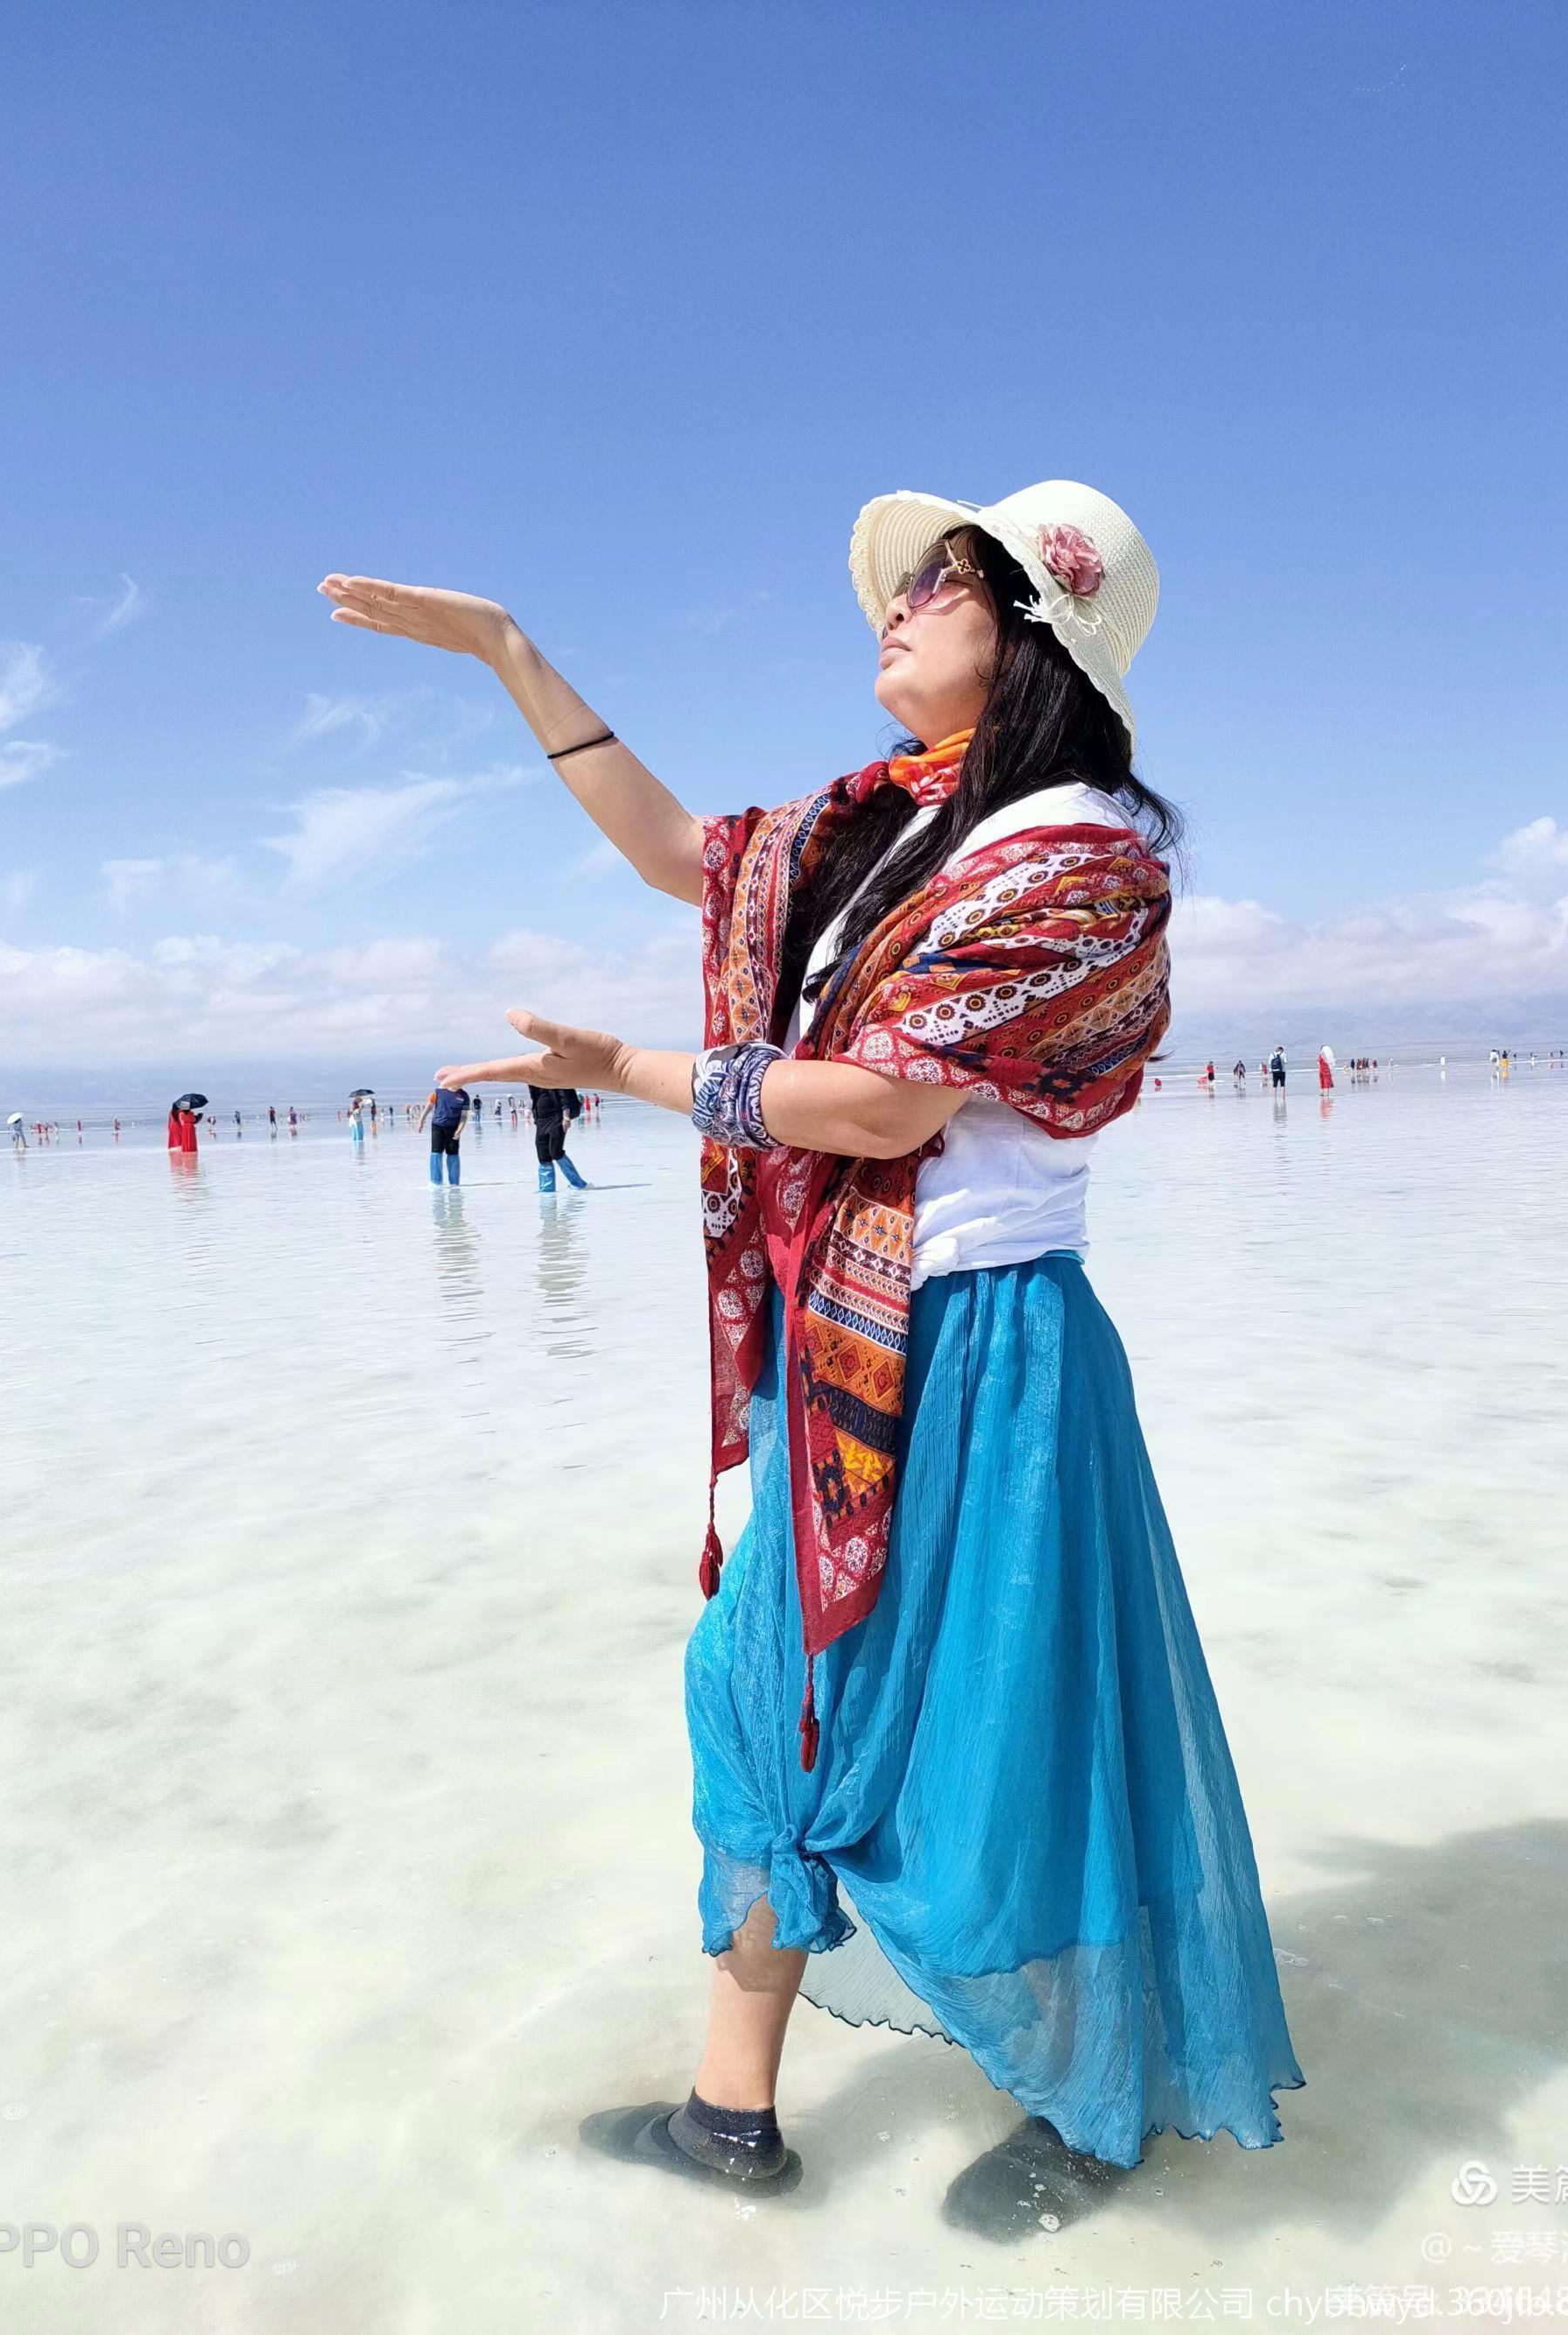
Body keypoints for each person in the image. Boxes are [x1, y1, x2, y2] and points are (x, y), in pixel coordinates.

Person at [318, 478, 1304, 2211]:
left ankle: (1089, 2105)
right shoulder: (895, 827)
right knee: (764, 1693)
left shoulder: (1081, 858)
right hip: (837, 1333)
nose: (898, 605)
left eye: (944, 583)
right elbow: (679, 854)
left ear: (1034, 637)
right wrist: (506, 652)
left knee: (995, 1735)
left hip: (981, 1343)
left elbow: (882, 1102)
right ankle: (731, 2114)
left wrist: (629, 1074)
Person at [529, 1083, 587, 1192]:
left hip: (557, 1118)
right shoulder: (532, 1081)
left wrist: (566, 1117)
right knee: (543, 1156)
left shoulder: (551, 1077)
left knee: (556, 1152)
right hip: (541, 1121)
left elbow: (563, 1094)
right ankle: (546, 1190)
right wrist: (536, 1119)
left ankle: (578, 1184)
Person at [422, 1075, 471, 1185]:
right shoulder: (438, 1092)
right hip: (437, 1126)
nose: (461, 1084)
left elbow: (464, 1116)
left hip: (454, 1128)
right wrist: (421, 1120)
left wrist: (460, 1129)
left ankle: (454, 1184)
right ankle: (436, 1183)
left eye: (463, 1082)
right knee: (436, 1154)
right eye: (459, 1081)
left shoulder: (464, 1096)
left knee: (453, 1154)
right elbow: (429, 1107)